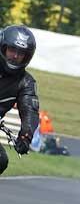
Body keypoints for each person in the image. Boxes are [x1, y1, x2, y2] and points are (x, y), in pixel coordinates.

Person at [0, 25, 39, 176]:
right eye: (12, 50)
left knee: (1, 160)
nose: (15, 56)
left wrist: (26, 136)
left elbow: (30, 109)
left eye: (20, 53)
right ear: (3, 48)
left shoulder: (26, 82)